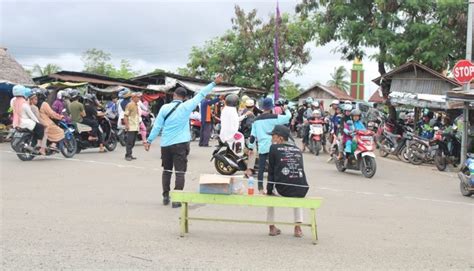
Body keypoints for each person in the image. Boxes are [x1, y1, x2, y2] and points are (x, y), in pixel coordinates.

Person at [145, 75, 223, 208]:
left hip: (166, 144)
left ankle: (165, 196)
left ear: (174, 95)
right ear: (184, 97)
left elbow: (157, 126)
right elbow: (202, 94)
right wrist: (214, 83)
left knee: (167, 171)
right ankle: (177, 199)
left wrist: (149, 140)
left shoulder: (164, 108)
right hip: (181, 144)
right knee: (180, 172)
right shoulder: (187, 106)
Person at [266, 125, 309, 237]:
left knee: (270, 196)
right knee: (297, 193)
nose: (272, 139)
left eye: (273, 137)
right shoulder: (297, 149)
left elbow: (271, 172)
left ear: (280, 138)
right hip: (302, 190)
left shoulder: (273, 148)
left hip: (282, 190)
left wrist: (268, 190)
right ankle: (298, 228)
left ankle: (272, 227)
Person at [248, 97, 291, 193]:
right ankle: (271, 189)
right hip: (273, 145)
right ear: (271, 107)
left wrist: (251, 147)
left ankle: (260, 189)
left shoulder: (256, 120)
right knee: (273, 168)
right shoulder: (275, 117)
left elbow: (252, 136)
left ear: (262, 107)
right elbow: (288, 117)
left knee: (261, 168)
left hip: (262, 146)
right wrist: (286, 109)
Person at [11, 85, 47, 155]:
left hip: (16, 123)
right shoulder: (24, 104)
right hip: (25, 123)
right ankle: (39, 144)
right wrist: (38, 122)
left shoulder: (14, 102)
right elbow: (31, 115)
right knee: (40, 127)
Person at [123, 93, 141, 161]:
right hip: (131, 126)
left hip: (135, 126)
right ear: (133, 98)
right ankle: (128, 155)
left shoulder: (136, 105)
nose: (139, 98)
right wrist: (127, 125)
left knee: (133, 141)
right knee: (130, 141)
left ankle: (130, 154)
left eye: (139, 97)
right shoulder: (130, 105)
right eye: (137, 97)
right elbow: (125, 116)